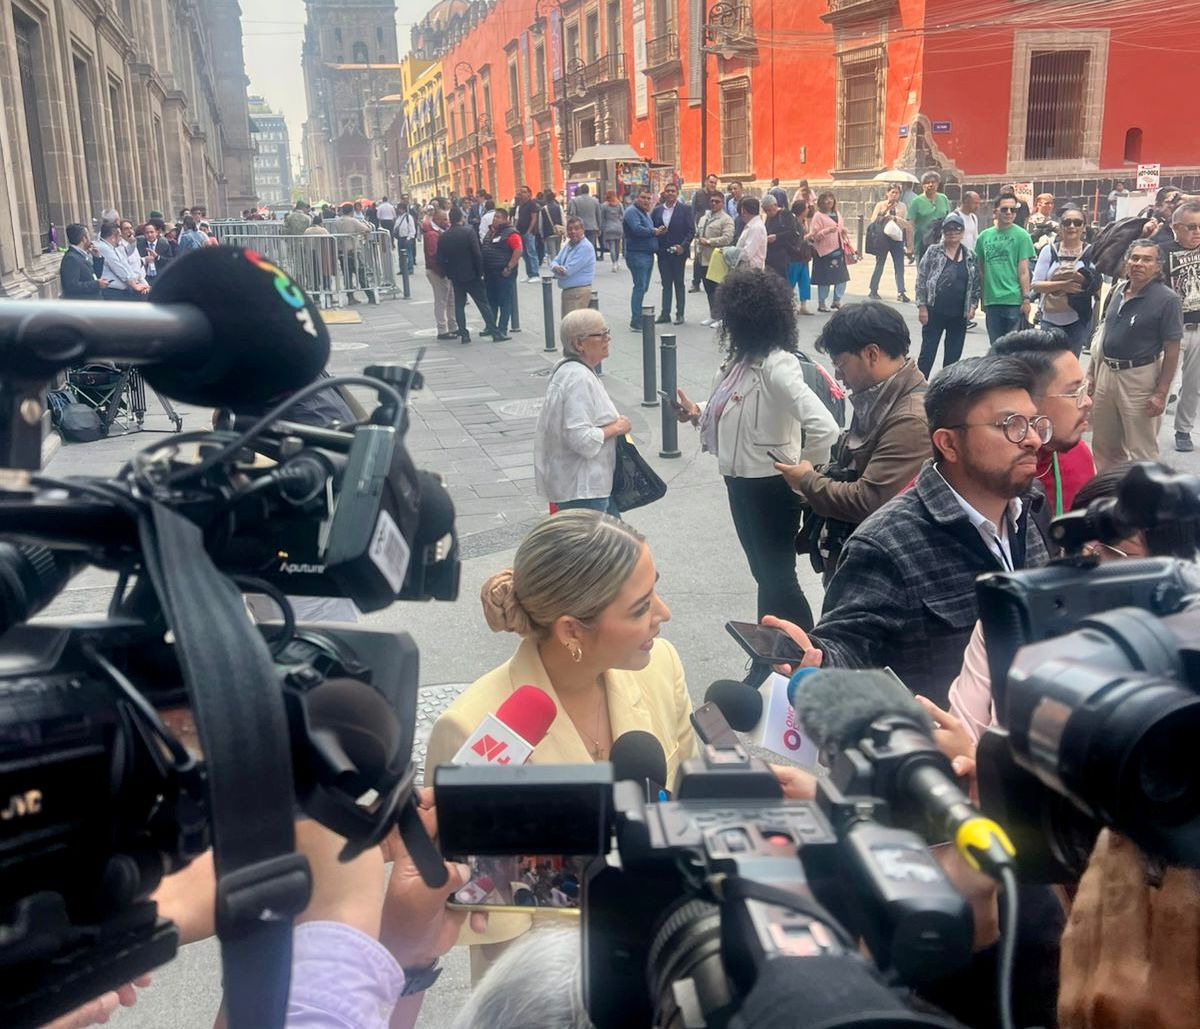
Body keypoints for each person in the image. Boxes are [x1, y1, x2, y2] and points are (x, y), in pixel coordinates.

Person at [769, 356, 1051, 706]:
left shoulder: (1033, 504)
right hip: (943, 737)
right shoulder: (888, 544)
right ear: (948, 444)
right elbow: (849, 646)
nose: (1033, 440)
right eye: (1011, 425)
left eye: (1034, 423)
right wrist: (817, 657)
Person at [941, 461, 1195, 751]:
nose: (1086, 561)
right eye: (1077, 545)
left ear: (1169, 566)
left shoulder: (1184, 651)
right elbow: (962, 729)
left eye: (1110, 551)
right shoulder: (1013, 618)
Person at [426, 510, 695, 773]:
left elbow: (692, 789)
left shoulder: (663, 665)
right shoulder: (468, 728)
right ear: (571, 631)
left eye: (654, 590)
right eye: (641, 608)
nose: (664, 613)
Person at [674, 267, 839, 628]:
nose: (727, 326)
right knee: (765, 575)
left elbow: (825, 427)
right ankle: (773, 646)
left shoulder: (777, 366)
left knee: (778, 578)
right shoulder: (739, 362)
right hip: (739, 482)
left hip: (770, 487)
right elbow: (732, 407)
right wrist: (696, 411)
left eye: (731, 319)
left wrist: (805, 474)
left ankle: (807, 650)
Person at [774, 302, 931, 582]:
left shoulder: (910, 419)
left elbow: (868, 500)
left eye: (841, 364)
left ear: (872, 354)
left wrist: (807, 481)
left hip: (879, 570)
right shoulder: (880, 394)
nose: (838, 375)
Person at [1088, 239, 1184, 468]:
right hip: (1106, 373)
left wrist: (1161, 393)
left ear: (1158, 266)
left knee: (1142, 451)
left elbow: (1172, 350)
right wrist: (1091, 373)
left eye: (1147, 259)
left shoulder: (1168, 300)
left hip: (1140, 378)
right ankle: (1110, 489)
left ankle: (1144, 491)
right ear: (1127, 262)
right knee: (1104, 446)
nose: (1139, 263)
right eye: (1135, 258)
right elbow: (1103, 334)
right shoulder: (1118, 290)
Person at [532, 309, 630, 515]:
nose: (607, 339)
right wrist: (617, 427)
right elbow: (580, 438)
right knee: (601, 536)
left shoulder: (571, 370)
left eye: (607, 332)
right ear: (579, 343)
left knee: (615, 534)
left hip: (583, 486)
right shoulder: (578, 379)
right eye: (600, 335)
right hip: (584, 489)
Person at [992, 326, 1095, 521]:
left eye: (1084, 389)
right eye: (1074, 392)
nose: (1087, 402)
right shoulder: (979, 478)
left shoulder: (1077, 457)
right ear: (1024, 401)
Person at [916, 212, 980, 377]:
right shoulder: (933, 251)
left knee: (953, 356)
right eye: (948, 229)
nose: (952, 232)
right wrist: (922, 306)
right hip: (934, 310)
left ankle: (946, 386)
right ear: (943, 231)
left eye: (956, 229)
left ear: (962, 232)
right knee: (927, 353)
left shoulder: (970, 256)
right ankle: (920, 386)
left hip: (959, 313)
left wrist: (973, 306)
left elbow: (975, 284)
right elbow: (922, 278)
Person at [1030, 203, 1100, 357]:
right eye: (1067, 222)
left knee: (1071, 362)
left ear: (1084, 227)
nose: (1072, 226)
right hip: (1050, 318)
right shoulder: (1049, 250)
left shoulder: (1091, 252)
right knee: (1049, 363)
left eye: (1077, 223)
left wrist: (1077, 276)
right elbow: (1036, 285)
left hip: (1078, 318)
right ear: (1061, 226)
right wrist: (1063, 284)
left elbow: (1096, 284)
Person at [975, 195, 1035, 342]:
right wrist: (983, 298)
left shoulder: (1022, 236)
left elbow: (1023, 271)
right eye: (1004, 209)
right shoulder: (983, 237)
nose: (1009, 213)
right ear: (995, 211)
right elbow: (981, 270)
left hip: (1013, 300)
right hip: (992, 301)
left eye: (1013, 210)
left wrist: (1026, 299)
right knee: (995, 346)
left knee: (1013, 347)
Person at [437, 206, 500, 344]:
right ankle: (495, 332)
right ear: (461, 218)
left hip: (456, 277)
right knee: (483, 304)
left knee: (459, 306)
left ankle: (464, 334)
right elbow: (477, 253)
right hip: (472, 275)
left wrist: (447, 273)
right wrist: (480, 272)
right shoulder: (469, 232)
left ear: (450, 219)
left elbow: (440, 258)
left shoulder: (444, 236)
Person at [1166, 202, 1200, 451]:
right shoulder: (1161, 251)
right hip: (1171, 331)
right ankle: (1148, 432)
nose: (1197, 232)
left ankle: (1184, 430)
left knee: (1194, 385)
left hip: (1198, 328)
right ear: (1176, 227)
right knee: (1162, 385)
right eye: (1191, 227)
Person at [652, 182, 695, 325]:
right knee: (666, 284)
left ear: (677, 193)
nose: (670, 193)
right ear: (664, 193)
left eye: (673, 191)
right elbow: (652, 228)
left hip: (678, 252)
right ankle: (665, 314)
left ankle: (680, 314)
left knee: (679, 283)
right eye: (668, 191)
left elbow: (691, 231)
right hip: (663, 252)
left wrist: (683, 246)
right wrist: (657, 233)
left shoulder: (685, 209)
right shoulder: (657, 211)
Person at [481, 206, 523, 341]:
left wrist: (509, 267)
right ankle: (491, 327)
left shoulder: (510, 233)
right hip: (490, 273)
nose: (495, 219)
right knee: (491, 300)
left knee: (504, 301)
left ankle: (502, 329)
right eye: (494, 217)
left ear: (505, 219)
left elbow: (518, 250)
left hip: (503, 273)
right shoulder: (491, 232)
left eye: (498, 217)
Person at [695, 191, 735, 328]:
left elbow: (727, 238)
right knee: (709, 289)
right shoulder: (703, 218)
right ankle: (713, 315)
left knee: (719, 289)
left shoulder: (726, 219)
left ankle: (722, 317)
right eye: (712, 201)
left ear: (722, 203)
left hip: (717, 259)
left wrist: (709, 241)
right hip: (703, 258)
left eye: (717, 201)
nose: (713, 204)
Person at [623, 187, 660, 331]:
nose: (646, 201)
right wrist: (654, 231)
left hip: (647, 254)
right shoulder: (632, 212)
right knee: (640, 287)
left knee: (643, 287)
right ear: (636, 198)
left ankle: (637, 316)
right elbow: (637, 229)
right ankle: (636, 320)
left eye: (648, 198)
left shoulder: (644, 213)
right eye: (643, 197)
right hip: (637, 255)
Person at [807, 191, 851, 312]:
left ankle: (837, 300)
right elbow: (814, 236)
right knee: (824, 280)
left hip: (838, 249)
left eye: (831, 199)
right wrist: (826, 231)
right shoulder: (818, 216)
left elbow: (840, 228)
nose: (829, 201)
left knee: (842, 278)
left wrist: (843, 231)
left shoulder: (837, 213)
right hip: (824, 252)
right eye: (826, 199)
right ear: (821, 202)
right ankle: (822, 303)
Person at [868, 185, 912, 302]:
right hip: (883, 237)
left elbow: (905, 223)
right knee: (880, 264)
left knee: (899, 265)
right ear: (887, 193)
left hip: (897, 237)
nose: (894, 195)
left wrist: (895, 218)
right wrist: (885, 211)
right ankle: (873, 289)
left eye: (897, 193)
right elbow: (873, 220)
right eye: (892, 192)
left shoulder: (902, 206)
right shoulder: (880, 205)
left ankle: (901, 292)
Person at [421, 207, 459, 340]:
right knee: (441, 300)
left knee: (450, 299)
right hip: (438, 271)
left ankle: (453, 326)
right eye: (444, 219)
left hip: (444, 271)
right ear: (437, 219)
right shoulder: (432, 234)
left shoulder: (440, 232)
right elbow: (433, 256)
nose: (447, 222)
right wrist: (442, 271)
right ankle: (442, 329)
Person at [550, 216, 597, 316]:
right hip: (568, 292)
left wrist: (556, 272)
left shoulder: (585, 247)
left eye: (576, 228)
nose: (573, 232)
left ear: (583, 230)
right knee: (567, 322)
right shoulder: (569, 245)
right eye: (570, 229)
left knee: (574, 324)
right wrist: (555, 267)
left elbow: (567, 272)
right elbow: (555, 261)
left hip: (578, 293)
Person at [332, 202, 377, 305]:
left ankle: (350, 297)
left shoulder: (337, 221)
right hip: (353, 251)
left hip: (342, 251)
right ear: (352, 211)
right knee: (361, 273)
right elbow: (367, 229)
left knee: (347, 275)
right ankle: (370, 295)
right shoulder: (353, 220)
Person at [94, 220, 149, 299]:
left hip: (123, 289)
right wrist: (134, 285)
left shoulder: (113, 247)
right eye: (120, 236)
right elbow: (117, 266)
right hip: (112, 292)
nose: (121, 239)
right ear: (113, 237)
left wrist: (136, 282)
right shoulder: (103, 248)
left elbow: (124, 263)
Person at [908, 171, 951, 259]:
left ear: (938, 184)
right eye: (927, 182)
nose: (930, 185)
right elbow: (910, 224)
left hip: (941, 243)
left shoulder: (943, 198)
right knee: (923, 266)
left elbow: (949, 218)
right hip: (922, 243)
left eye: (933, 182)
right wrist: (910, 245)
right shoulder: (916, 201)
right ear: (922, 185)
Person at [59, 223, 107, 299]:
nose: (90, 239)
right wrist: (96, 284)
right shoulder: (71, 258)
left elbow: (94, 275)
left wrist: (97, 258)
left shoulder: (81, 255)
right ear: (84, 239)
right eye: (88, 236)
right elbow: (72, 286)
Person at [761, 194, 801, 285]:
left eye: (770, 210)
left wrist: (777, 236)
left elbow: (792, 232)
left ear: (775, 205)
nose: (769, 213)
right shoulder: (769, 218)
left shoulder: (785, 214)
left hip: (782, 253)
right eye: (766, 211)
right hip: (770, 254)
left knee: (781, 280)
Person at [690, 174, 720, 289]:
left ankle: (713, 282)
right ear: (706, 182)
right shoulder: (698, 194)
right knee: (698, 257)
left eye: (715, 183)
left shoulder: (718, 195)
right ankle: (696, 283)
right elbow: (692, 212)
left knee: (714, 256)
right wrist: (694, 228)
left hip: (714, 229)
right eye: (711, 182)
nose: (713, 185)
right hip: (701, 229)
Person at [788, 195, 814, 315]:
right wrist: (809, 236)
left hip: (804, 256)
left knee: (805, 281)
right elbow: (796, 240)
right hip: (795, 257)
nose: (808, 210)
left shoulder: (803, 221)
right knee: (791, 281)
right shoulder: (793, 222)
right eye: (806, 208)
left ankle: (803, 305)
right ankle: (788, 304)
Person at [514, 185, 540, 280]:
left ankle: (535, 274)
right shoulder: (521, 205)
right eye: (521, 192)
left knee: (531, 253)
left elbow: (534, 219)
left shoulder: (532, 204)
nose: (522, 194)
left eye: (524, 192)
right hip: (521, 232)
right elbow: (518, 219)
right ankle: (529, 273)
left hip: (529, 233)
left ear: (529, 194)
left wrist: (529, 231)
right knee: (525, 254)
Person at [734, 195, 767, 271]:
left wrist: (731, 252)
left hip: (751, 270)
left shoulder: (756, 227)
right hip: (745, 269)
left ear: (744, 211)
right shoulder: (751, 225)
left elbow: (747, 254)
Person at [567, 183, 601, 254]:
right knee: (591, 245)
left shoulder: (575, 201)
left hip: (579, 227)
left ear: (581, 190)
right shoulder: (595, 201)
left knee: (579, 245)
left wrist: (571, 228)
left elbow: (573, 215)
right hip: (592, 226)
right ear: (588, 190)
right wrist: (599, 227)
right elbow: (598, 215)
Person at [600, 190, 624, 270]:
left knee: (612, 247)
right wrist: (619, 221)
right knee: (617, 246)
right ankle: (617, 261)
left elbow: (602, 217)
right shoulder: (619, 204)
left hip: (608, 227)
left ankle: (614, 263)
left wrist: (602, 228)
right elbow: (623, 215)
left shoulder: (604, 205)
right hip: (618, 227)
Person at [538, 189, 564, 262]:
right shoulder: (559, 207)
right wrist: (564, 232)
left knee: (552, 252)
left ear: (546, 199)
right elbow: (563, 220)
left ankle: (554, 266)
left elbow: (540, 223)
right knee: (558, 250)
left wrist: (542, 235)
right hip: (558, 232)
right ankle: (559, 264)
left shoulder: (543, 209)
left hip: (548, 233)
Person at [394, 201, 420, 273]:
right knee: (400, 255)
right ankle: (402, 269)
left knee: (408, 254)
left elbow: (412, 229)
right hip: (400, 238)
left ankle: (410, 269)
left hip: (407, 238)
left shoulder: (408, 217)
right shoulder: (398, 217)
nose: (399, 210)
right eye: (399, 208)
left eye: (401, 208)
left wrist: (409, 238)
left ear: (404, 209)